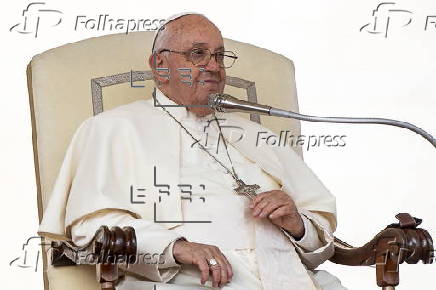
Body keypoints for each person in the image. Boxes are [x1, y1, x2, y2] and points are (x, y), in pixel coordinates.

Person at [38, 12, 347, 290]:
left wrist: (296, 223)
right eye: (198, 54)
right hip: (188, 280)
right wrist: (176, 247)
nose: (213, 66)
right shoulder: (113, 128)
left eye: (220, 56)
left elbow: (320, 237)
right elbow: (91, 228)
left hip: (288, 277)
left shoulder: (257, 134)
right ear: (160, 65)